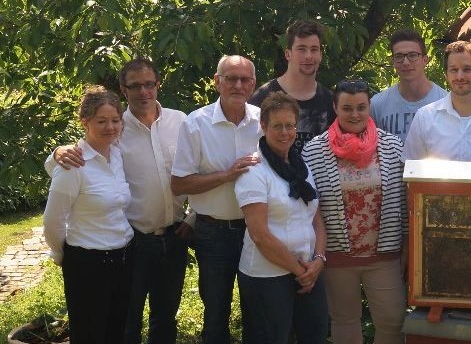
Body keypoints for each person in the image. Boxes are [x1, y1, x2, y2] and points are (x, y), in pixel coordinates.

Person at [47, 58, 191, 344]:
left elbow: (198, 167)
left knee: (165, 318)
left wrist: (193, 216)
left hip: (175, 235)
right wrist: (56, 153)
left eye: (149, 84)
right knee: (127, 321)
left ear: (158, 84)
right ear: (124, 90)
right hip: (134, 241)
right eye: (134, 86)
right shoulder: (115, 127)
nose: (143, 92)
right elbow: (80, 159)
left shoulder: (181, 122)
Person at [302, 80, 408, 344]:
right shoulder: (314, 150)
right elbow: (308, 207)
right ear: (335, 107)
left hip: (383, 254)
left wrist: (406, 247)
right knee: (344, 321)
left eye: (361, 107)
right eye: (347, 108)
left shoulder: (393, 147)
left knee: (393, 322)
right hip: (337, 256)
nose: (355, 114)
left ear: (369, 107)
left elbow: (406, 203)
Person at [171, 55, 262, 344]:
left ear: (253, 84)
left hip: (256, 232)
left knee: (257, 313)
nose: (238, 85)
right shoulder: (195, 123)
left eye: (244, 79)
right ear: (217, 81)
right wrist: (226, 175)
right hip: (213, 233)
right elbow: (178, 184)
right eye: (230, 78)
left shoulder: (264, 121)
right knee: (216, 314)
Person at [235, 92, 329, 344]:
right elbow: (260, 235)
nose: (285, 132)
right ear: (263, 126)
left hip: (308, 270)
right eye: (277, 126)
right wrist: (301, 271)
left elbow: (317, 219)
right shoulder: (254, 171)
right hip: (267, 276)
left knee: (316, 334)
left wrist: (318, 261)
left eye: (290, 125)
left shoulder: (302, 166)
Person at [44, 85, 134, 344]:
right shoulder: (73, 165)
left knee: (117, 331)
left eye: (116, 120)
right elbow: (53, 221)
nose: (110, 127)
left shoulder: (116, 155)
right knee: (90, 334)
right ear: (85, 122)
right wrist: (61, 254)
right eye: (102, 121)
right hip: (87, 263)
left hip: (124, 257)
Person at [250, 20, 336, 153]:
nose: (308, 56)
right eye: (301, 49)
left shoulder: (331, 102)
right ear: (288, 54)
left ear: (320, 55)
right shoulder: (261, 99)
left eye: (314, 49)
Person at [371, 28, 447, 142]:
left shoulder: (445, 102)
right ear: (393, 62)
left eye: (412, 55)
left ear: (425, 60)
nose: (406, 62)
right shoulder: (377, 105)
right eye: (399, 57)